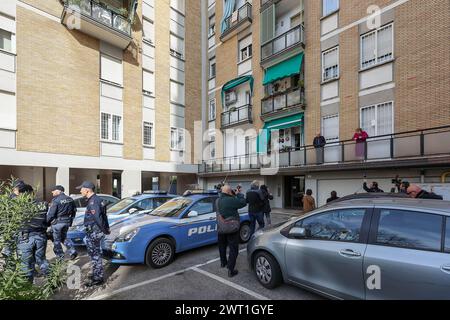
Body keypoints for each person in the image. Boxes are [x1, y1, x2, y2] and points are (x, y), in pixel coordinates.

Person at [77, 181, 110, 287]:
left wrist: (104, 230)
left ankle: (98, 278)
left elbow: (98, 218)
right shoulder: (96, 199)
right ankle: (96, 274)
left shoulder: (93, 202)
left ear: (87, 190)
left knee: (95, 255)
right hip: (94, 231)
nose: (80, 191)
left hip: (94, 232)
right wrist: (106, 228)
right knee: (94, 254)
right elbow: (104, 216)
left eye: (81, 189)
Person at [16, 184, 49, 283]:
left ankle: (27, 286)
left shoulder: (19, 206)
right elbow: (48, 218)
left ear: (22, 193)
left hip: (25, 238)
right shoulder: (43, 204)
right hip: (40, 236)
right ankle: (52, 281)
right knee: (41, 260)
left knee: (25, 263)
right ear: (32, 192)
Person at [217, 185, 247, 278]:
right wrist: (239, 194)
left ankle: (223, 262)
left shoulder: (217, 200)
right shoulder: (231, 200)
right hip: (231, 228)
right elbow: (243, 203)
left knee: (222, 246)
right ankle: (231, 269)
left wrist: (233, 194)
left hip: (221, 227)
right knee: (233, 249)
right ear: (229, 192)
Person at [46, 185, 78, 260]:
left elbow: (51, 214)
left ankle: (60, 256)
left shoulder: (55, 200)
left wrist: (46, 223)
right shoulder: (70, 199)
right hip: (66, 222)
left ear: (58, 191)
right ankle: (73, 251)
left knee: (56, 240)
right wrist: (70, 221)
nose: (52, 192)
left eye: (53, 191)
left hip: (58, 223)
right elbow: (74, 211)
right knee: (64, 238)